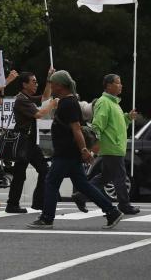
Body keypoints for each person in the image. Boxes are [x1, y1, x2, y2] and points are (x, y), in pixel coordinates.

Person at [27, 70, 122, 229]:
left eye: (53, 84)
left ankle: (47, 218)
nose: (52, 87)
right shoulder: (67, 101)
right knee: (84, 185)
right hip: (70, 152)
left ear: (61, 85)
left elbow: (76, 129)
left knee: (50, 182)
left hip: (66, 153)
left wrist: (84, 149)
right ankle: (112, 211)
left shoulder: (68, 103)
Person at [79, 74, 140, 215]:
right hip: (111, 147)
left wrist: (128, 118)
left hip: (114, 147)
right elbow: (97, 125)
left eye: (120, 83)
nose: (121, 85)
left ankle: (81, 195)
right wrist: (95, 144)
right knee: (120, 176)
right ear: (108, 86)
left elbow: (118, 127)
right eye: (118, 83)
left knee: (105, 177)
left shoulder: (114, 103)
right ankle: (124, 205)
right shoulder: (104, 102)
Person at [6, 71, 56, 213]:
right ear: (24, 84)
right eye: (33, 81)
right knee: (27, 172)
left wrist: (48, 80)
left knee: (37, 171)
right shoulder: (21, 100)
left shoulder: (26, 98)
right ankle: (16, 204)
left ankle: (30, 203)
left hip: (29, 142)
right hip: (25, 142)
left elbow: (45, 96)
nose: (36, 84)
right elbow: (39, 114)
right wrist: (53, 104)